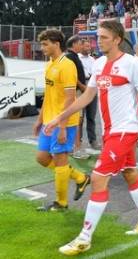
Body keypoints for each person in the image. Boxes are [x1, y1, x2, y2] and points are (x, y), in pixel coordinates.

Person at [45, 20, 138, 255]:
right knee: (130, 171)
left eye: (103, 37)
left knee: (99, 178)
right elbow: (87, 96)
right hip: (109, 132)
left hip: (125, 131)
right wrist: (60, 117)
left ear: (117, 39)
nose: (98, 41)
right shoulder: (99, 64)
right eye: (98, 37)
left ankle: (84, 238)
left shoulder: (132, 64)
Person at [33, 29, 90, 212]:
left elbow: (70, 98)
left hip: (64, 121)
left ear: (56, 44)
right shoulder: (49, 64)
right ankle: (81, 177)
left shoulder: (67, 65)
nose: (42, 48)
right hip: (49, 120)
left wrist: (63, 127)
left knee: (60, 160)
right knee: (42, 158)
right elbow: (49, 96)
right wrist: (40, 119)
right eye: (42, 44)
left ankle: (61, 203)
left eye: (45, 44)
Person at [65, 35, 88, 159]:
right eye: (80, 43)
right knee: (76, 120)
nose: (82, 45)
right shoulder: (69, 57)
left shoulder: (73, 56)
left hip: (77, 91)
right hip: (75, 93)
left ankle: (72, 147)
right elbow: (73, 76)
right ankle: (76, 148)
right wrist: (82, 86)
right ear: (73, 44)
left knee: (76, 120)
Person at [78, 39, 98, 151]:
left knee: (91, 116)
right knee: (80, 118)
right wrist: (82, 86)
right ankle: (78, 141)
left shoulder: (93, 60)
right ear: (81, 47)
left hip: (93, 85)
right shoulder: (77, 58)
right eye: (86, 46)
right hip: (82, 84)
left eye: (89, 46)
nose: (88, 48)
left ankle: (93, 140)